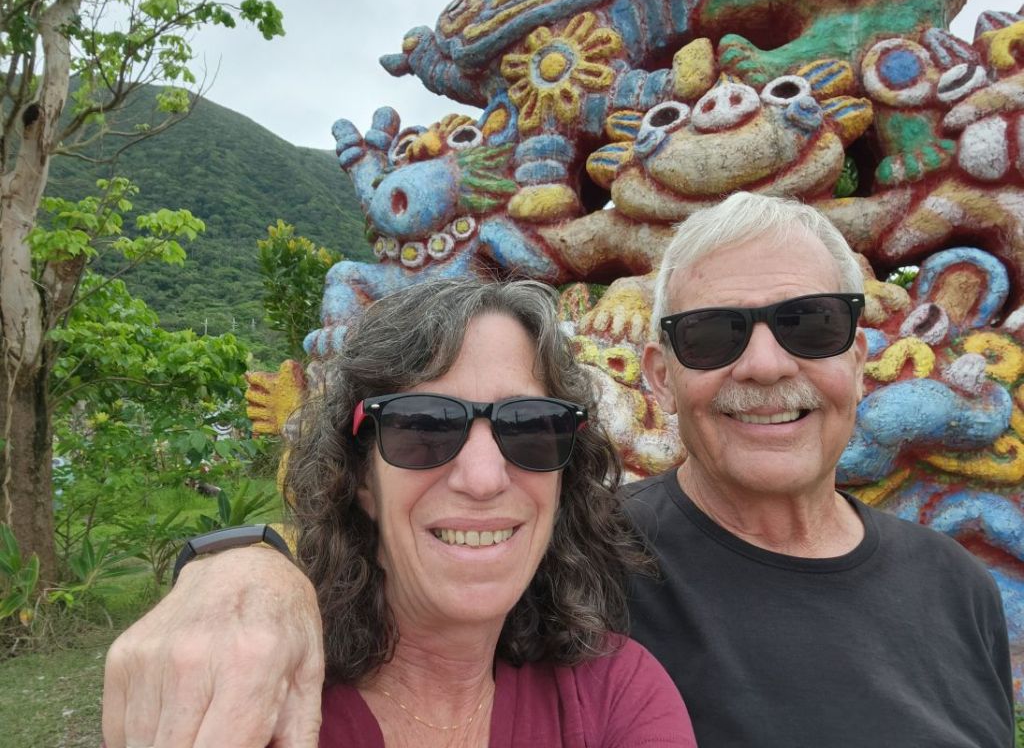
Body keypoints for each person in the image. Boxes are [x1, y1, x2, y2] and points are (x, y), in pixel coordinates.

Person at [102, 193, 1014, 747]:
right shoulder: (590, 557)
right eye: (714, 335)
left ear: (859, 352)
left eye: (810, 324)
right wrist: (241, 567)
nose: (767, 366)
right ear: (660, 376)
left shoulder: (958, 589)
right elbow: (399, 565)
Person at [104, 278, 697, 748]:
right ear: (362, 477)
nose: (484, 478)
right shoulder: (257, 692)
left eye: (531, 427)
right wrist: (238, 568)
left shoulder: (613, 695)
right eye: (423, 426)